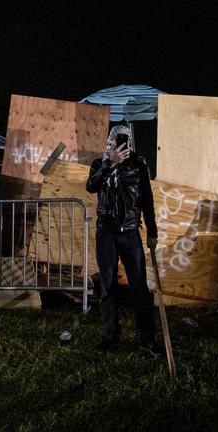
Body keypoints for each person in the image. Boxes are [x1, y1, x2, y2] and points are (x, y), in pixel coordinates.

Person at [86, 125, 161, 356]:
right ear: (109, 142)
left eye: (123, 142)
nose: (119, 146)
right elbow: (91, 186)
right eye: (114, 142)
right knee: (108, 285)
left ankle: (146, 338)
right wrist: (111, 162)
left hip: (130, 233)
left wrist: (152, 231)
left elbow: (146, 200)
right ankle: (110, 335)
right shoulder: (100, 164)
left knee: (138, 286)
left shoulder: (138, 165)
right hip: (106, 233)